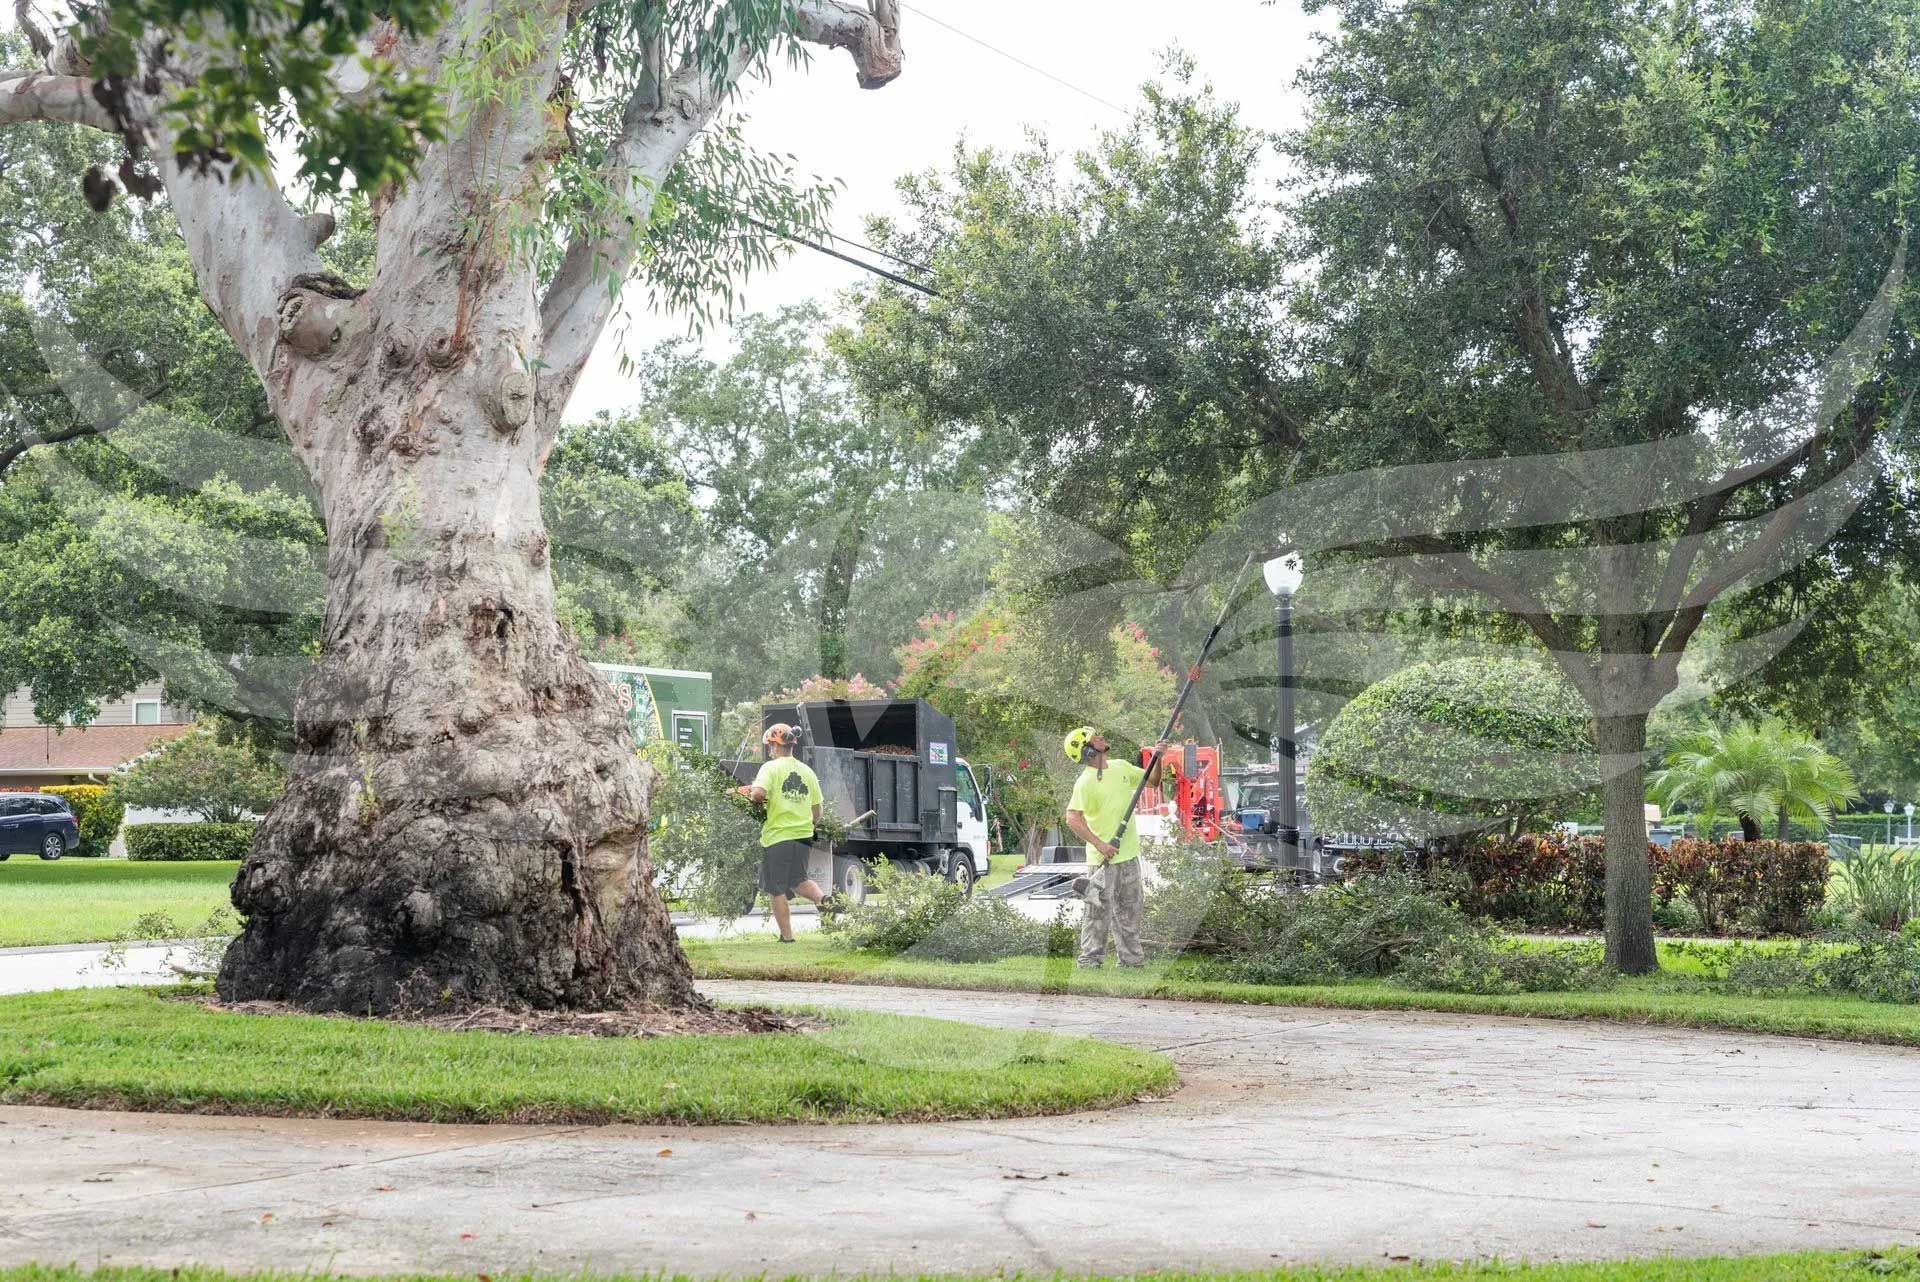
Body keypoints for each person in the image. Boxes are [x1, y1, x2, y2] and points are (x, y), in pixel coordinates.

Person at [1061, 726, 1165, 969]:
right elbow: (1072, 818)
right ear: (1088, 751)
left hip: (1128, 856)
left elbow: (1153, 780)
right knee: (1097, 915)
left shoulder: (1120, 767)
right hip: (1102, 861)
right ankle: (1089, 962)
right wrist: (1101, 844)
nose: (1100, 737)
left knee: (1130, 913)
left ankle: (1131, 962)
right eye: (1093, 738)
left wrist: (1158, 758)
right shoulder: (1085, 782)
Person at [736, 723, 828, 942]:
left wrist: (753, 800)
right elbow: (818, 810)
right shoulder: (807, 772)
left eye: (769, 746)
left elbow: (758, 794)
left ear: (775, 746)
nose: (769, 750)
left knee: (775, 888)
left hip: (778, 837)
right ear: (792, 745)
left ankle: (787, 937)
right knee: (799, 880)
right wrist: (810, 826)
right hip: (804, 835)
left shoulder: (771, 768)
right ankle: (825, 900)